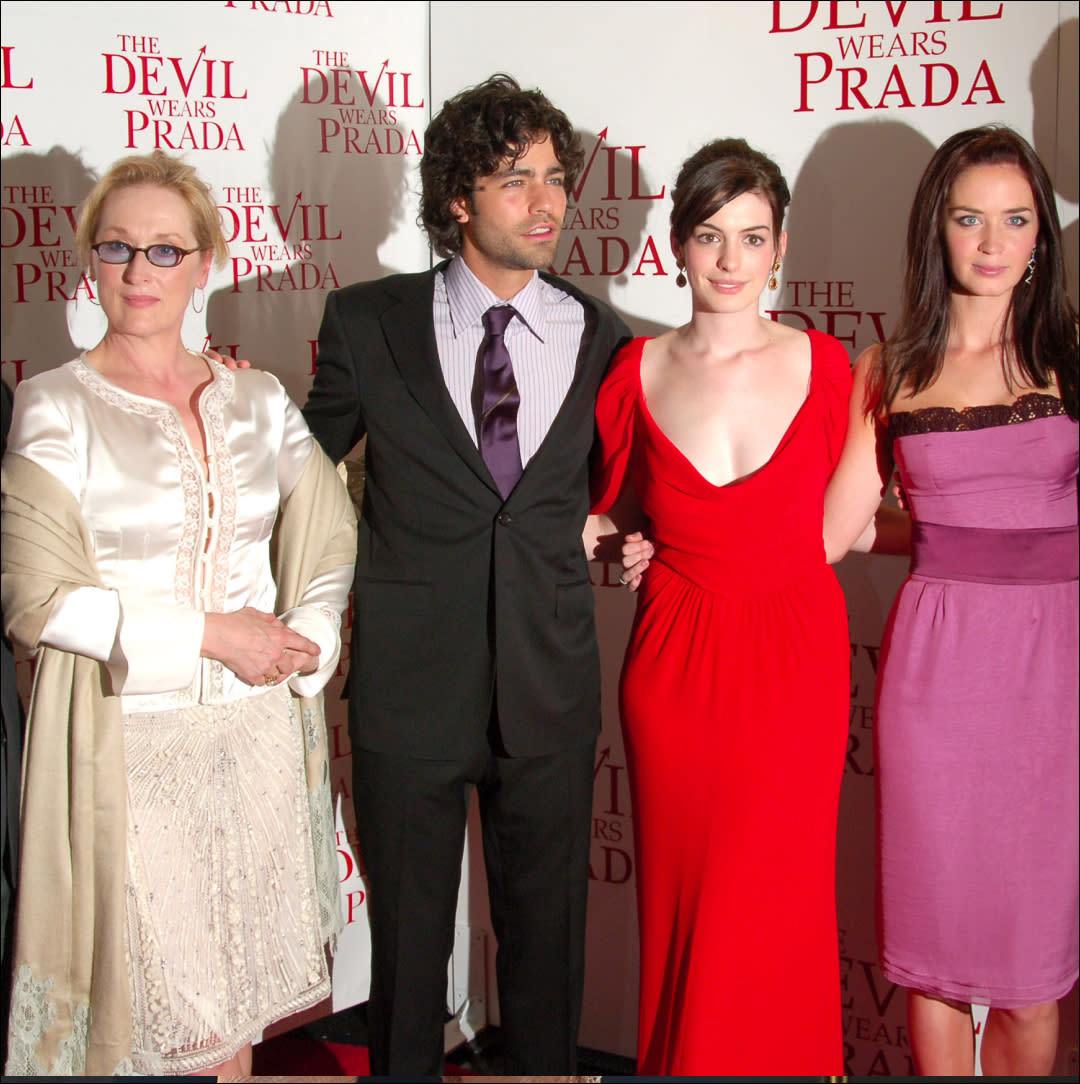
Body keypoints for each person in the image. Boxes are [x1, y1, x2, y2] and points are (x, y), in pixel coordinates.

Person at [301, 74, 630, 1076]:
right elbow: (303, 478)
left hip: (548, 686)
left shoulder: (606, 337)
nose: (545, 203)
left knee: (546, 958)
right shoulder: (366, 323)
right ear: (457, 199)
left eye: (555, 179)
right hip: (409, 691)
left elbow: (637, 495)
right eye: (513, 179)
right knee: (405, 960)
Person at [1, 150, 356, 1077]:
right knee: (163, 1031)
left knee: (232, 1024)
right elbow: (38, 598)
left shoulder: (259, 397)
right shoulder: (52, 408)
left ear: (205, 263)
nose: (137, 270)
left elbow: (328, 534)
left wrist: (307, 639)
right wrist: (211, 634)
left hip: (257, 744)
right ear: (88, 262)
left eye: (164, 250)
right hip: (131, 752)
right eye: (117, 247)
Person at [590, 138, 852, 1075]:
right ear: (677, 245)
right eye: (710, 236)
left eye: (752, 237)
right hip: (674, 668)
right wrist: (613, 544)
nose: (731, 261)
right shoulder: (633, 371)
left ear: (780, 246)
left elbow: (854, 527)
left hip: (796, 666)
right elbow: (605, 514)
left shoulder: (832, 371)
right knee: (684, 899)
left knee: (778, 900)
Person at [822, 125, 1078, 1076]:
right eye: (970, 218)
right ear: (938, 229)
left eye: (1016, 220)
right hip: (937, 679)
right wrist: (671, 536)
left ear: (1040, 238)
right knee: (931, 960)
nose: (992, 242)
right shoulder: (888, 373)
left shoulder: (1071, 360)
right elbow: (838, 533)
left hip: (1054, 678)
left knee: (1032, 973)